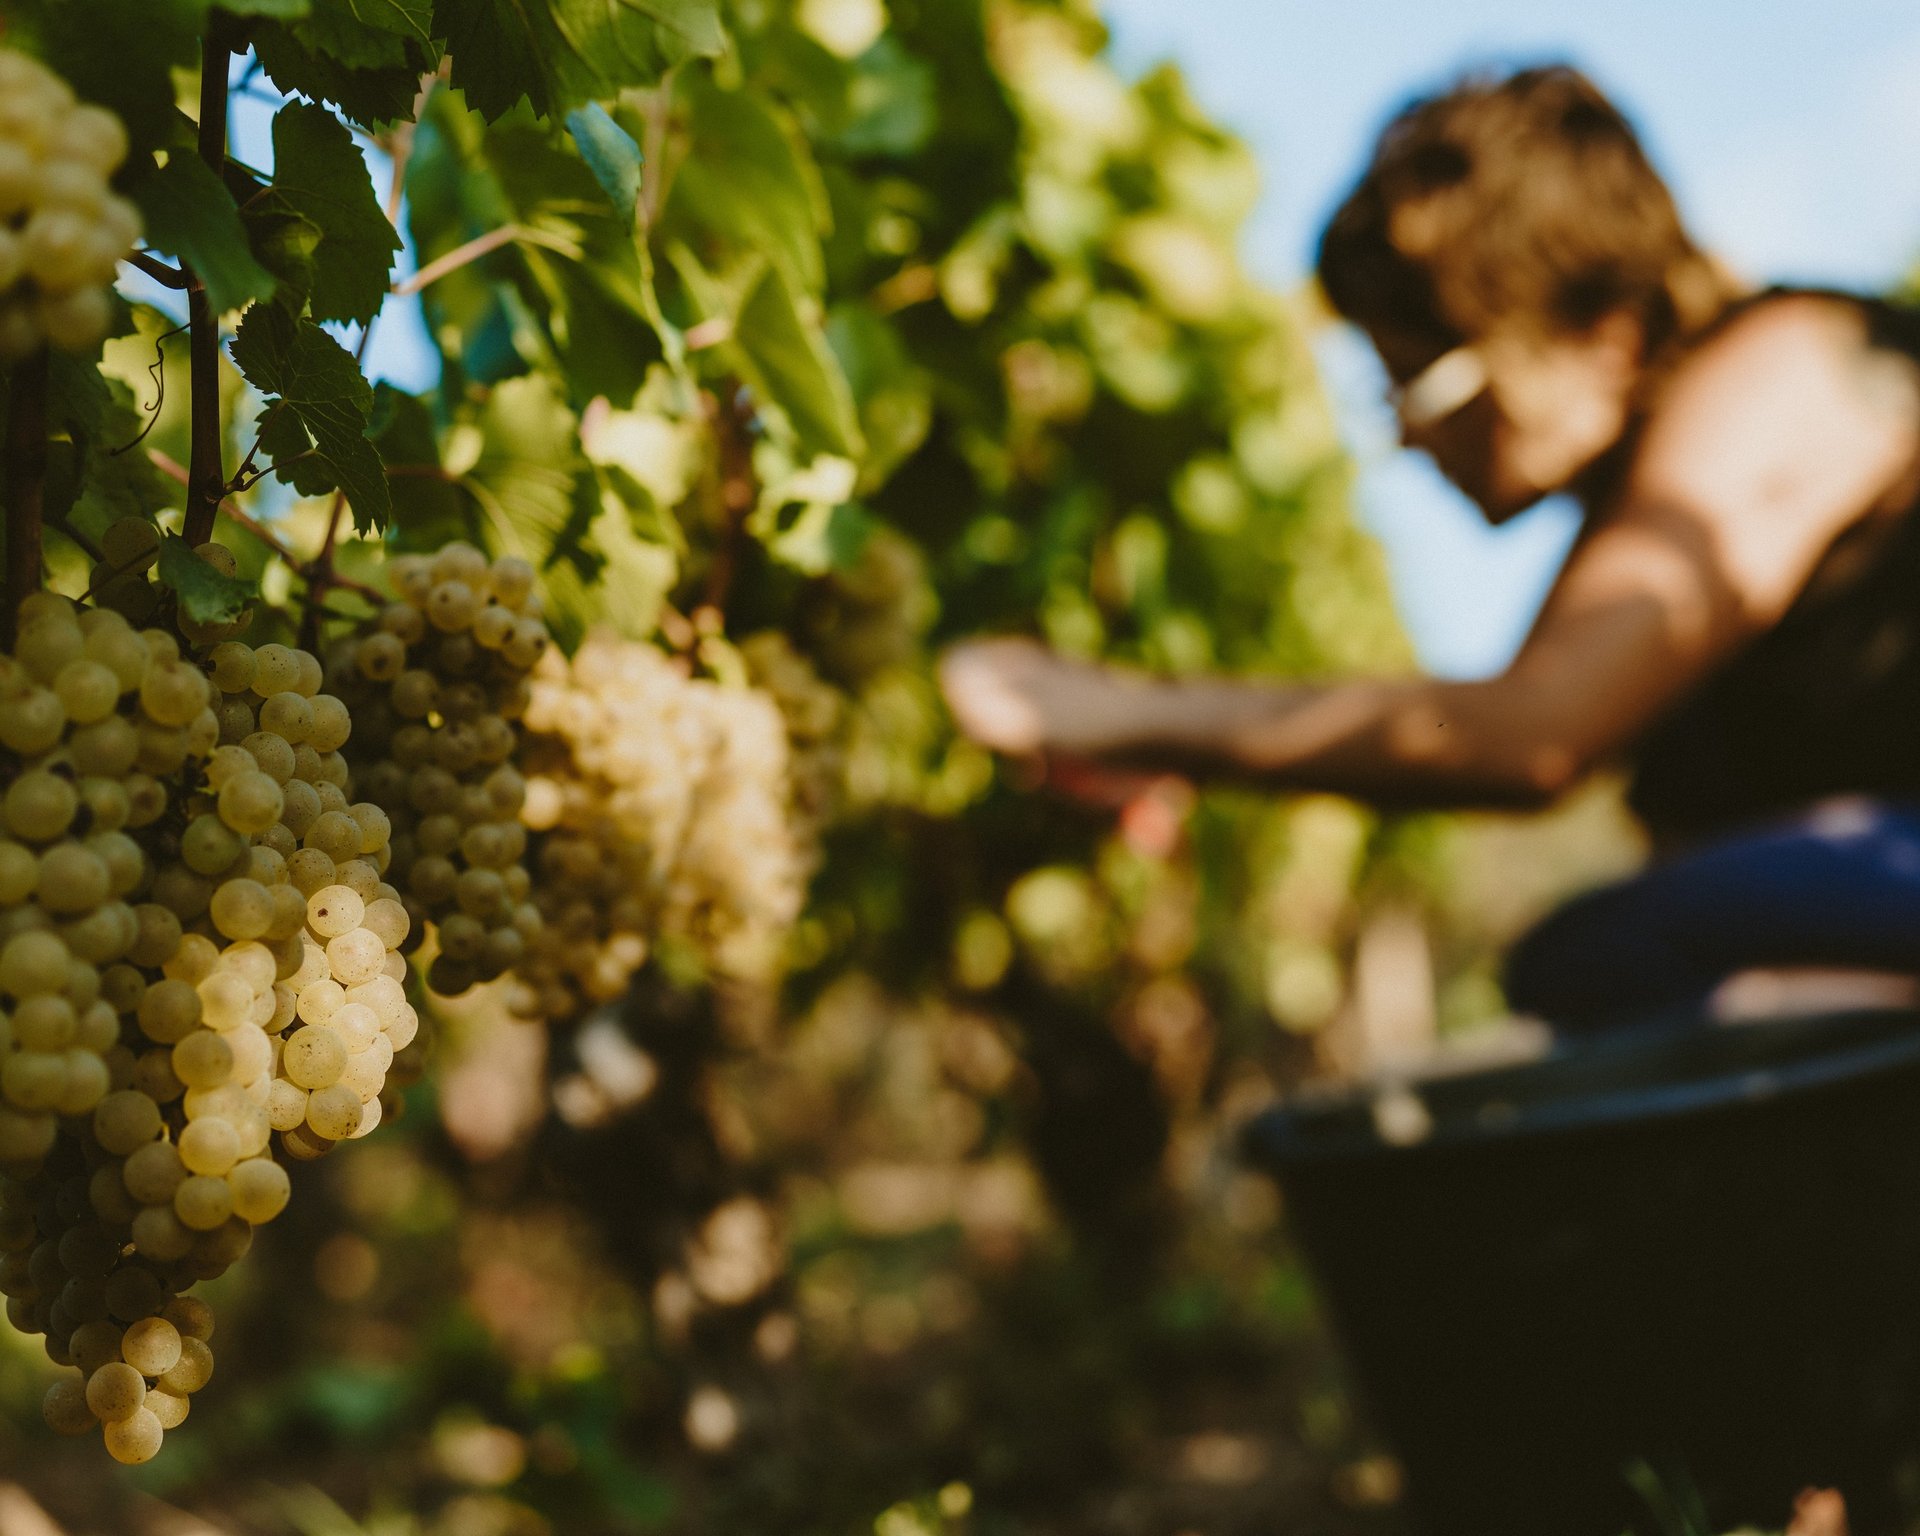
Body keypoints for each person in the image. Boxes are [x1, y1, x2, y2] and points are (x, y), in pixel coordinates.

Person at [939, 65, 1920, 1034]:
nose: (1407, 434)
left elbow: (1532, 736)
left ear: (1604, 332)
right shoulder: (1660, 522)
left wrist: (1118, 714)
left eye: (1425, 383)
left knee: (1604, 956)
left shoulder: (1787, 371)